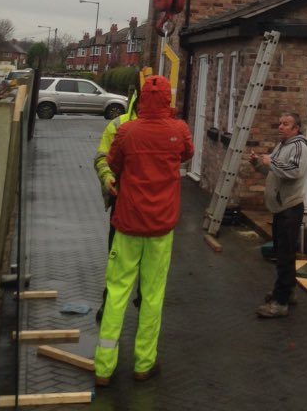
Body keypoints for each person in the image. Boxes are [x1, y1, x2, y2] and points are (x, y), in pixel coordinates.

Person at [94, 74, 194, 386]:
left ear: (139, 98)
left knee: (116, 292)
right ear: (167, 99)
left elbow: (113, 163)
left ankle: (104, 368)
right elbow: (187, 154)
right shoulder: (179, 130)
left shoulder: (126, 131)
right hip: (161, 227)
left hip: (128, 223)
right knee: (152, 295)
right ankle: (144, 363)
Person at [249, 110, 307, 318]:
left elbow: (294, 171)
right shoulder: (282, 145)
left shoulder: (299, 146)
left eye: (286, 124)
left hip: (290, 208)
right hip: (280, 208)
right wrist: (257, 163)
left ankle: (280, 302)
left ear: (296, 128)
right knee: (283, 253)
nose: (281, 127)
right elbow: (273, 171)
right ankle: (287, 291)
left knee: (285, 256)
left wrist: (271, 162)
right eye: (280, 123)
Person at [93, 75, 143, 322]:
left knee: (149, 267)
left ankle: (142, 303)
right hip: (123, 203)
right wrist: (107, 177)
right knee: (117, 259)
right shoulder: (119, 124)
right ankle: (110, 305)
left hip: (151, 209)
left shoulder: (168, 127)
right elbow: (102, 156)